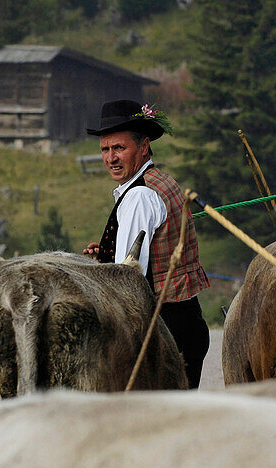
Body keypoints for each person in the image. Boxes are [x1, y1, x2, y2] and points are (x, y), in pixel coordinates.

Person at [81, 99, 210, 388]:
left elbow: (126, 280)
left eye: (119, 148)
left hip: (163, 331)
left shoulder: (139, 196)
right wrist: (107, 254)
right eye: (105, 149)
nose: (111, 158)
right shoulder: (161, 180)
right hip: (187, 322)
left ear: (143, 146)